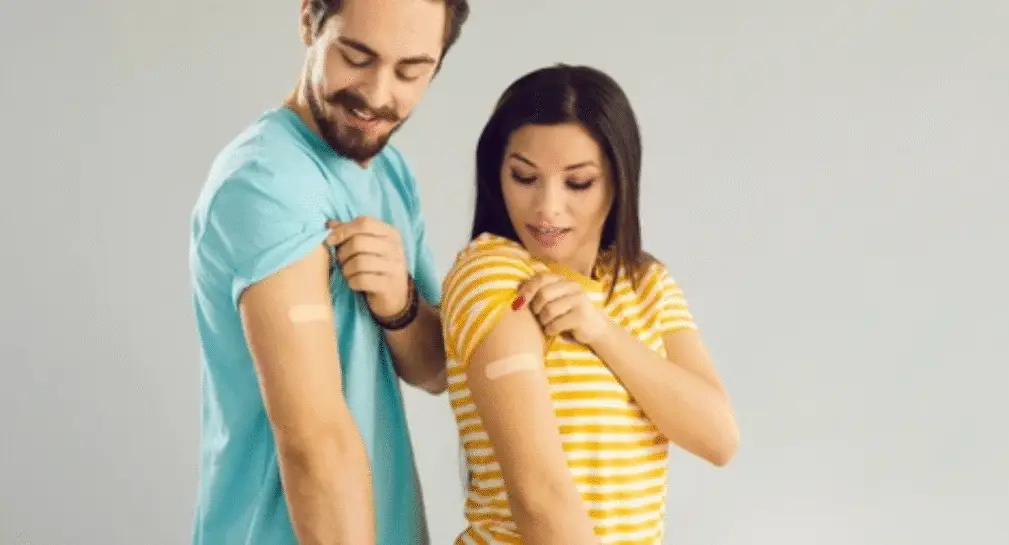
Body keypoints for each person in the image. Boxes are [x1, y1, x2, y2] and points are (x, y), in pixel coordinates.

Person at [188, 0, 470, 543]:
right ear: (308, 22)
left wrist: (402, 306)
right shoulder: (267, 181)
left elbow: (436, 369)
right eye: (356, 57)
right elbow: (316, 445)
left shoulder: (388, 170)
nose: (378, 95)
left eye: (411, 71)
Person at [439, 64, 741, 544]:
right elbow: (539, 496)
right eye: (524, 177)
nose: (547, 207)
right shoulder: (493, 273)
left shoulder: (646, 284)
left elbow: (718, 437)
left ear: (618, 181)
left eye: (577, 183)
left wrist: (601, 331)